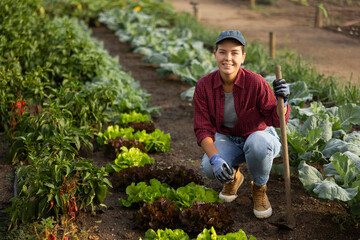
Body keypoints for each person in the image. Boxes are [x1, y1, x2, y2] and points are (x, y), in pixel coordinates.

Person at [193, 30, 291, 219]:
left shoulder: (256, 82)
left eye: (234, 53)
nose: (227, 58)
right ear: (215, 55)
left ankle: (259, 188)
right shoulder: (204, 86)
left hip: (259, 136)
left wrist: (284, 102)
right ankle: (233, 177)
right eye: (222, 52)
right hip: (227, 138)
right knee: (208, 167)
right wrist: (215, 159)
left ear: (243, 57)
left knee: (257, 143)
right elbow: (202, 128)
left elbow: (276, 121)